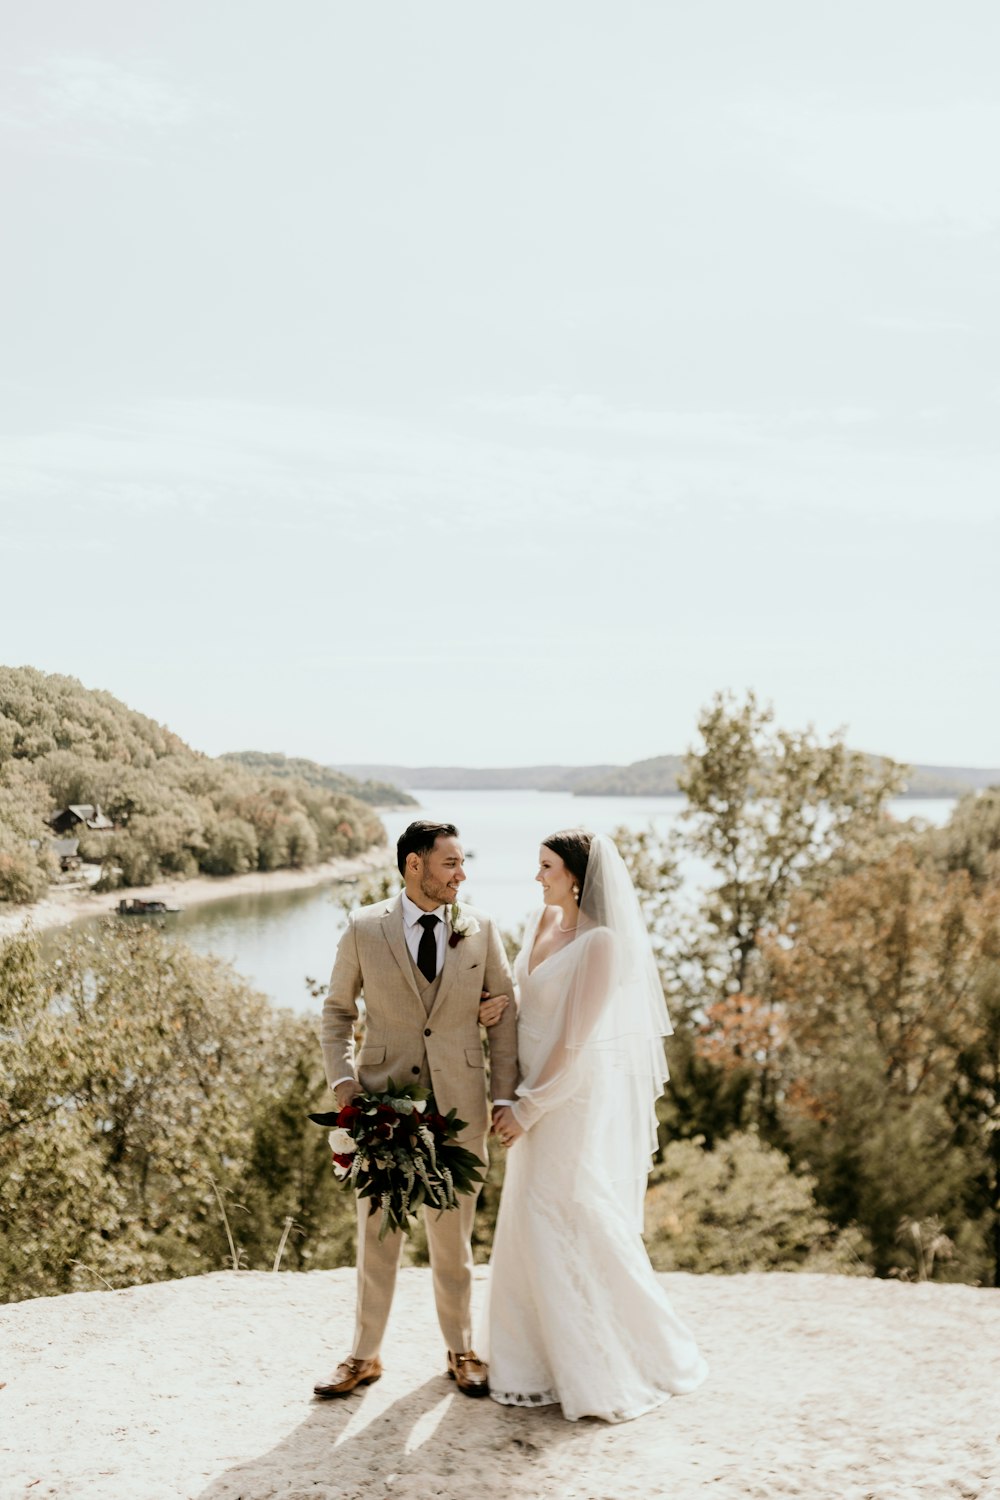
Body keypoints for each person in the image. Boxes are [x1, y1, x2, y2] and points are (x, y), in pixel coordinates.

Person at [486, 828, 709, 1422]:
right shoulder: (541, 923)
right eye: (538, 866)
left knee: (557, 1205)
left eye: (548, 867)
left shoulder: (603, 943)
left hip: (567, 1094)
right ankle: (529, 1358)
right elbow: (524, 994)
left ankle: (602, 1358)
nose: (538, 877)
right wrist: (496, 1011)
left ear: (579, 875)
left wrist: (528, 1107)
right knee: (528, 1209)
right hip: (526, 1080)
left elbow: (575, 1040)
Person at [315, 820, 518, 1400]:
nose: (461, 873)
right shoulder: (362, 928)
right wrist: (344, 1083)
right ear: (413, 866)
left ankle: (462, 1349)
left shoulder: (480, 929)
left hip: (461, 1106)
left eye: (461, 862)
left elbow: (504, 1020)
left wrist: (503, 1096)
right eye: (450, 863)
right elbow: (336, 1014)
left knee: (453, 1240)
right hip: (382, 1110)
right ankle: (364, 1355)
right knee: (377, 1237)